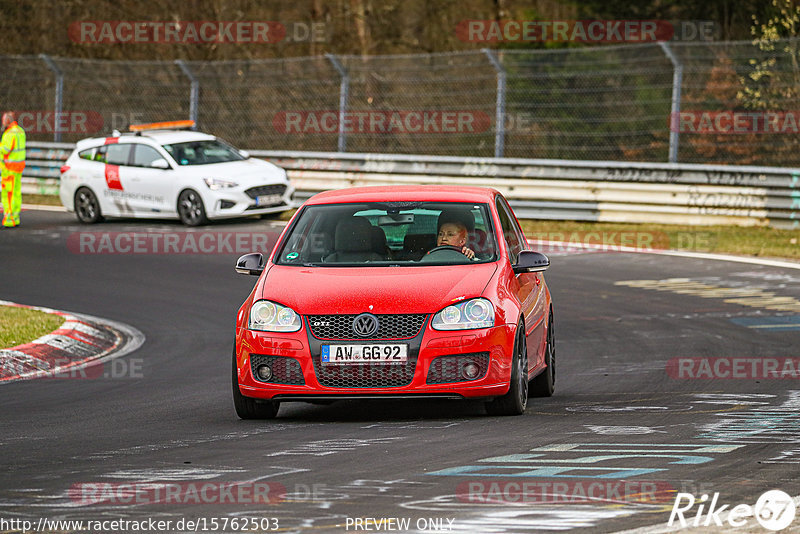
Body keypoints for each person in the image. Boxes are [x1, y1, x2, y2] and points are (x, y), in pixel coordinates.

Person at [0, 112, 26, 228]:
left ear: (7, 121)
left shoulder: (9, 133)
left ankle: (9, 219)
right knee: (16, 193)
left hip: (9, 168)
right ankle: (16, 217)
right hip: (18, 167)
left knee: (8, 194)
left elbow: (5, 150)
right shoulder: (20, 131)